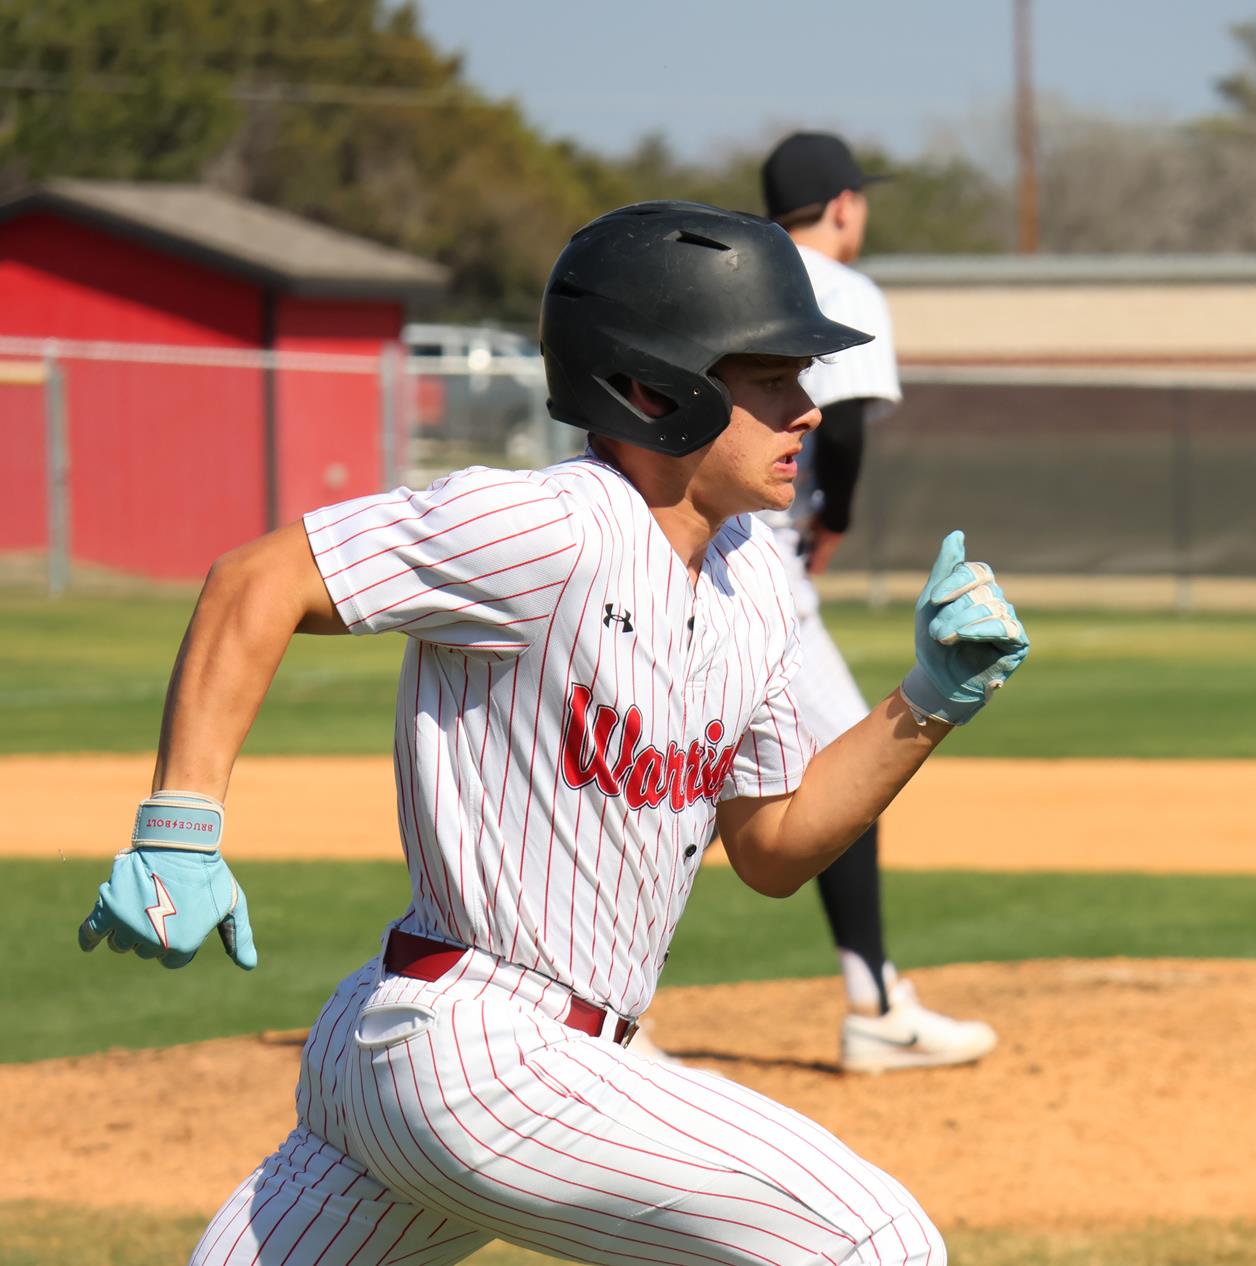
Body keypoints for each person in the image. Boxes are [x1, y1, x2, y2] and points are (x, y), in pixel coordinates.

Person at [76, 201, 1029, 1266]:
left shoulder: (752, 576)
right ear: (655, 386)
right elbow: (260, 579)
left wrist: (925, 703)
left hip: (452, 1064)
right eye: (772, 379)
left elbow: (773, 846)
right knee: (876, 1241)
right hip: (482, 1051)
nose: (807, 409)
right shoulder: (552, 527)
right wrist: (177, 827)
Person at [704, 130, 997, 1074]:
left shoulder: (732, 267)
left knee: (676, 760)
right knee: (839, 775)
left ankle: (873, 993)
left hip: (682, 541)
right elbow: (853, 426)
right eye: (859, 200)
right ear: (841, 204)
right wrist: (836, 519)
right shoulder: (843, 287)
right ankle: (873, 1005)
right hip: (758, 562)